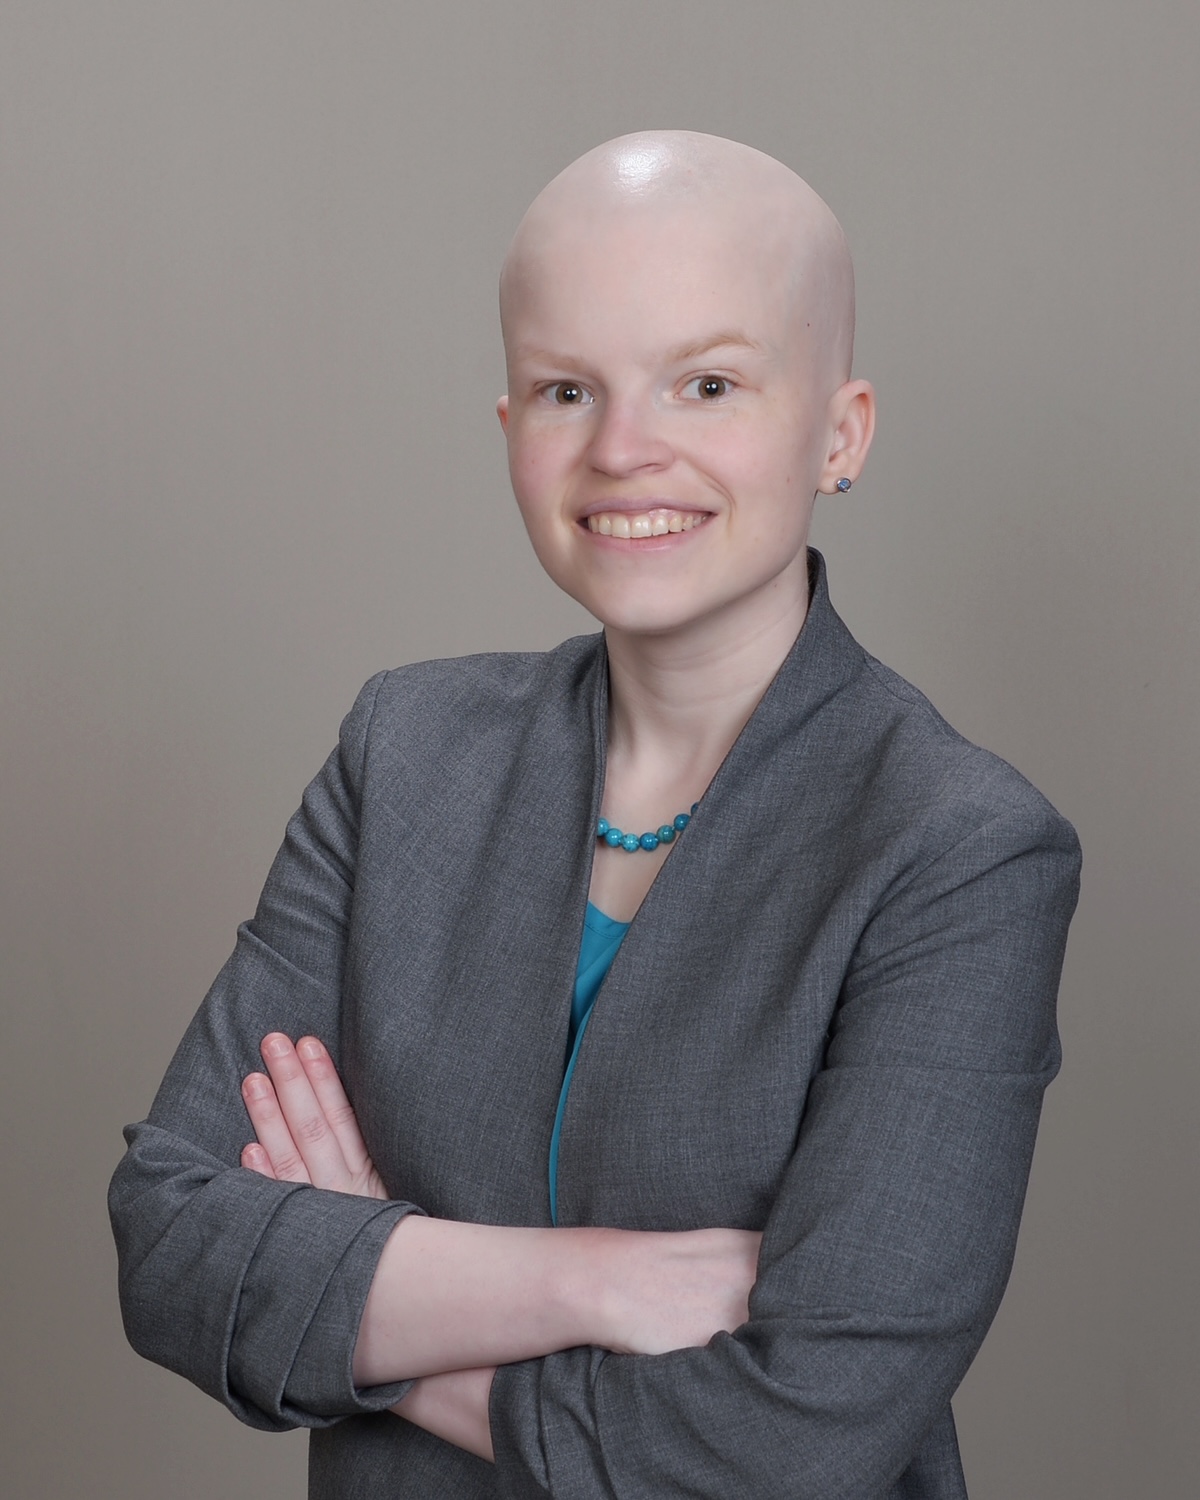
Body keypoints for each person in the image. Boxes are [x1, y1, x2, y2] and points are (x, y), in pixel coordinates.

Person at [109, 131, 1081, 1498]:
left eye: (708, 382)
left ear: (841, 431)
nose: (626, 449)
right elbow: (170, 1243)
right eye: (569, 389)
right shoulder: (405, 753)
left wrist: (372, 1276)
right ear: (512, 430)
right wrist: (598, 1285)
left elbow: (791, 1444)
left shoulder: (960, 850)